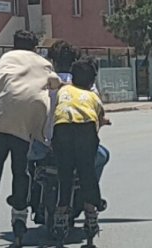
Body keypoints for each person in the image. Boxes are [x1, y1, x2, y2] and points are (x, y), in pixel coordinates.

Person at [0, 30, 60, 241]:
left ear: (14, 45)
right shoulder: (44, 64)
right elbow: (55, 85)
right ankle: (19, 218)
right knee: (21, 172)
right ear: (34, 47)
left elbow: (2, 78)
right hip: (25, 123)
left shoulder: (6, 58)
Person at [29, 41, 109, 223]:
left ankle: (28, 197)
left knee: (27, 158)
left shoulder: (44, 82)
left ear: (52, 61)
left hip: (48, 143)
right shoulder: (87, 87)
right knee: (100, 158)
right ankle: (90, 199)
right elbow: (98, 117)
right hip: (81, 140)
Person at [52, 57, 105, 236]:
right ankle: (90, 213)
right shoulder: (93, 96)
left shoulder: (64, 90)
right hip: (85, 130)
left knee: (64, 174)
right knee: (87, 173)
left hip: (63, 129)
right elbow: (100, 118)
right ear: (92, 81)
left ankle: (61, 214)